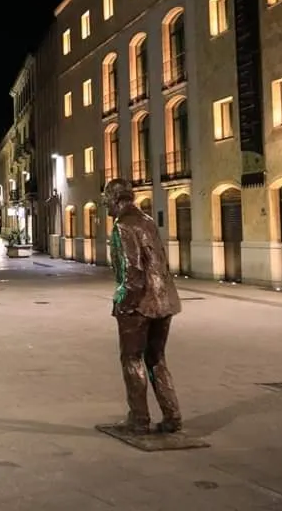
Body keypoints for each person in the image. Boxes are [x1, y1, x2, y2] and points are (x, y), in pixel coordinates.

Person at [103, 178, 183, 435]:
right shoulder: (147, 221)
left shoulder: (123, 225)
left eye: (107, 201)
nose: (106, 207)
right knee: (156, 359)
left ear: (116, 199)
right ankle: (172, 416)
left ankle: (139, 419)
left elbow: (133, 270)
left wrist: (124, 303)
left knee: (131, 358)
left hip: (140, 304)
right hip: (165, 299)